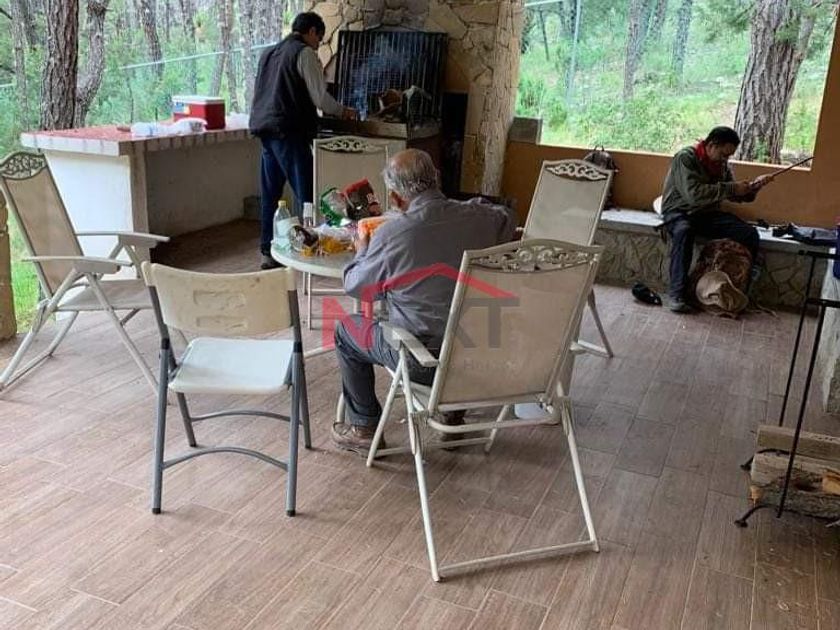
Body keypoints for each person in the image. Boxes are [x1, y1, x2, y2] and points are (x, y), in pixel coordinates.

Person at [332, 149, 517, 453]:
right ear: (436, 179)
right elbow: (507, 217)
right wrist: (473, 206)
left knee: (346, 329)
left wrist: (362, 250)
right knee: (456, 321)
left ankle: (364, 427)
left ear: (395, 198)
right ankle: (452, 413)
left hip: (422, 361)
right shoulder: (482, 218)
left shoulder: (393, 234)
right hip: (478, 355)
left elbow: (357, 287)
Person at [249, 12, 357, 270]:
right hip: (290, 131)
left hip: (265, 130)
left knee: (270, 194)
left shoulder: (269, 52)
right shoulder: (304, 53)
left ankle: (267, 251)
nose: (318, 45)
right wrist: (344, 111)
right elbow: (320, 98)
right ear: (311, 31)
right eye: (319, 38)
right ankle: (310, 252)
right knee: (306, 194)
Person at [661, 126, 773, 312]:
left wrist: (754, 188)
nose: (725, 159)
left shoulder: (721, 165)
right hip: (679, 212)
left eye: (728, 156)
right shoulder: (685, 158)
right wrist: (732, 188)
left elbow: (733, 194)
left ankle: (740, 287)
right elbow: (694, 195)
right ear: (711, 145)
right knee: (683, 231)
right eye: (723, 154)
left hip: (705, 214)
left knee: (748, 234)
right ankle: (676, 293)